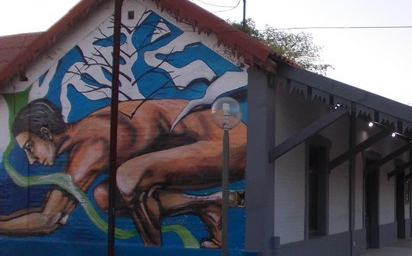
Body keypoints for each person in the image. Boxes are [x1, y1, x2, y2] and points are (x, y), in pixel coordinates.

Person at [1, 98, 246, 247]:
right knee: (105, 195)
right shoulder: (85, 135)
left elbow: (49, 220)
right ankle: (208, 205)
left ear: (45, 133)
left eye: (30, 148)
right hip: (202, 146)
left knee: (129, 175)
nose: (31, 159)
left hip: (231, 143)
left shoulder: (93, 143)